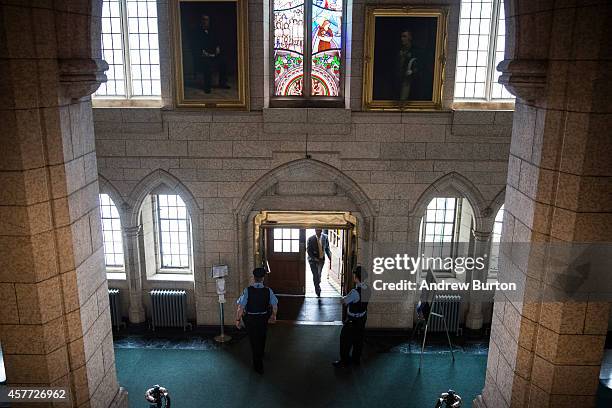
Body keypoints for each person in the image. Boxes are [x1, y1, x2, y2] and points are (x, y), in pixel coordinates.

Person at [235, 267, 278, 374]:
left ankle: (258, 365)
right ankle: (261, 353)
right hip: (263, 318)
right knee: (262, 335)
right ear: (263, 278)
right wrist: (273, 315)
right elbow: (274, 305)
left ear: (254, 278)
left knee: (254, 340)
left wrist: (237, 319)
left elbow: (240, 307)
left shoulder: (247, 290)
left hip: (251, 319)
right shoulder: (268, 291)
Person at [333, 266, 369, 368]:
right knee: (359, 340)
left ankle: (344, 361)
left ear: (356, 277)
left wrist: (344, 296)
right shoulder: (368, 289)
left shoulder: (355, 292)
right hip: (362, 318)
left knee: (345, 340)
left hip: (352, 320)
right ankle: (356, 360)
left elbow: (343, 301)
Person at [196, 14, 229, 93]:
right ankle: (207, 86)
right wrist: (205, 53)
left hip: (213, 54)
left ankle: (222, 83)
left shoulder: (212, 31)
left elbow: (216, 42)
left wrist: (217, 48)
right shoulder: (197, 32)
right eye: (203, 20)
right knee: (207, 64)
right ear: (201, 21)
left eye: (207, 20)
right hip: (202, 55)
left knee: (224, 61)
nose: (205, 21)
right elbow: (196, 46)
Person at [306, 229, 332, 297]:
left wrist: (330, 257)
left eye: (320, 230)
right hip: (313, 260)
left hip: (321, 260)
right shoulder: (310, 239)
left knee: (319, 274)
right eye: (317, 230)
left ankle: (318, 283)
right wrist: (315, 259)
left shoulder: (325, 237)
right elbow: (309, 251)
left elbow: (327, 248)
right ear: (315, 231)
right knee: (315, 275)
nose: (319, 232)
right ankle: (317, 290)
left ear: (321, 230)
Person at [396, 30, 419, 100]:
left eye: (404, 36)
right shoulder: (399, 50)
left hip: (409, 82)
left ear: (410, 38)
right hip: (399, 80)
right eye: (402, 36)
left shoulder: (415, 51)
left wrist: (412, 72)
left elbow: (419, 67)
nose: (402, 39)